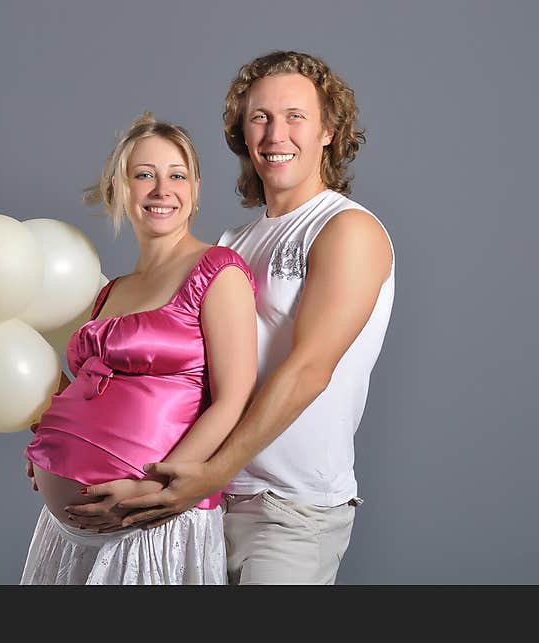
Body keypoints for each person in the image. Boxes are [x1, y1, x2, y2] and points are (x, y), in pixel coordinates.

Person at [65, 51, 395, 585]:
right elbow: (178, 376)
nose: (274, 134)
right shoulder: (232, 245)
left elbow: (310, 369)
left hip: (289, 510)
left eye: (295, 117)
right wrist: (67, 442)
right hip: (205, 507)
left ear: (329, 131)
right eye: (259, 117)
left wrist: (206, 474)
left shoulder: (346, 230)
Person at [20, 112, 258, 584]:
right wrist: (51, 448)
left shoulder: (218, 270)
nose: (161, 189)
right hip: (65, 534)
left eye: (177, 176)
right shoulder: (111, 291)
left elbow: (234, 398)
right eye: (143, 175)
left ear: (194, 191)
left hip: (150, 522)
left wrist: (155, 489)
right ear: (119, 188)